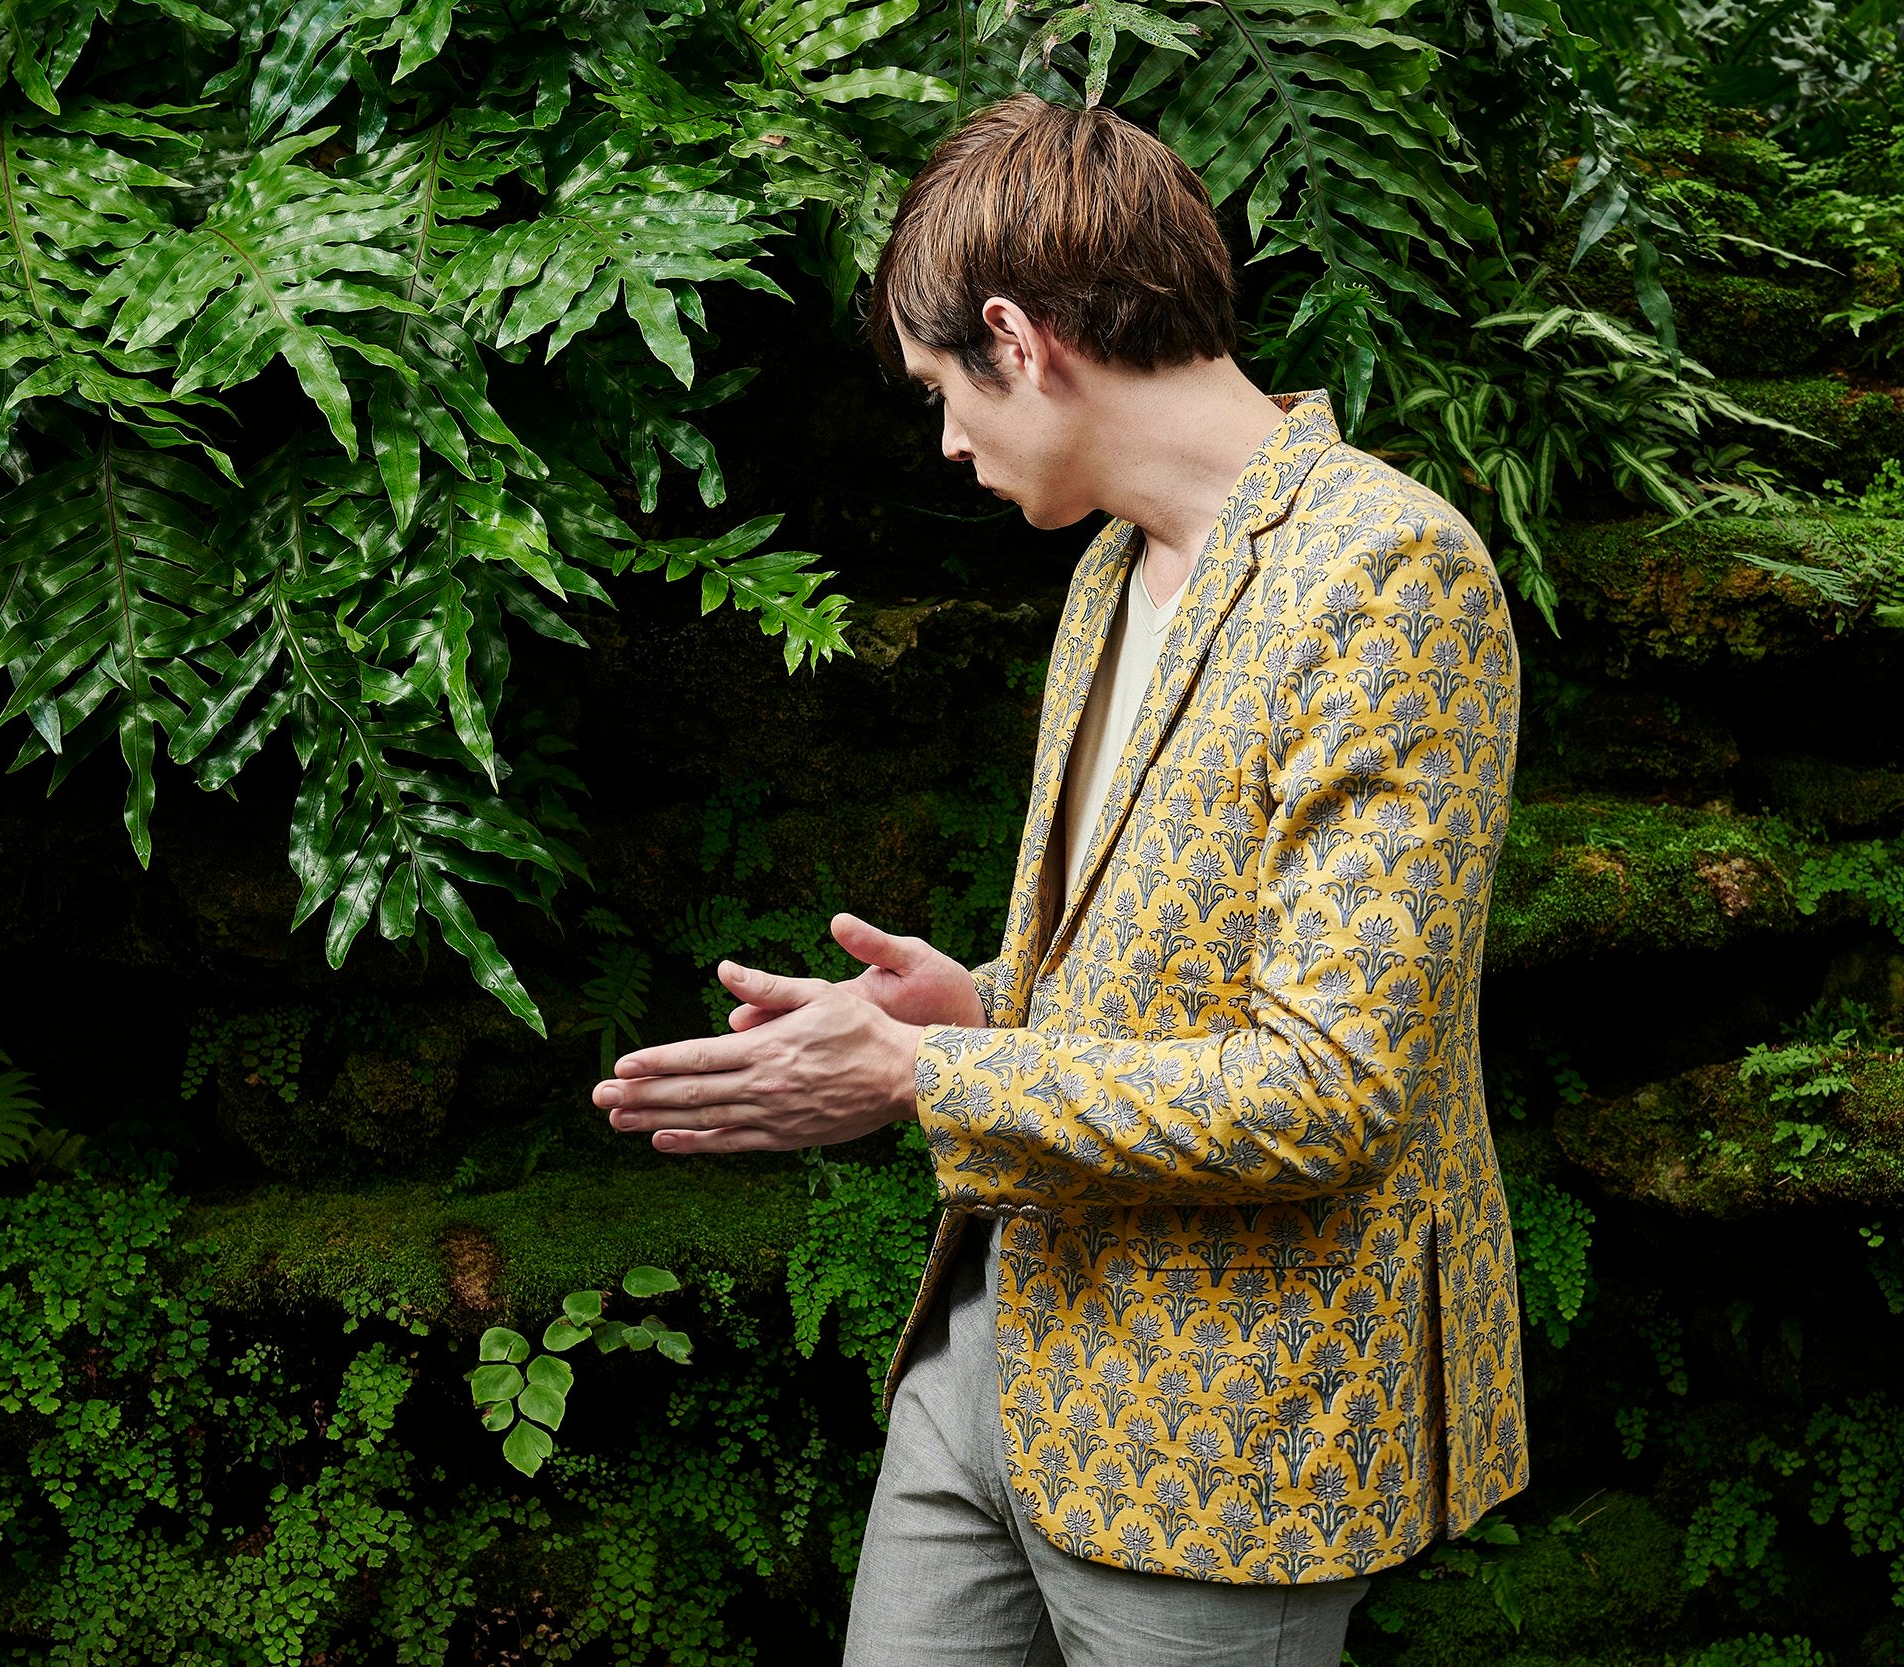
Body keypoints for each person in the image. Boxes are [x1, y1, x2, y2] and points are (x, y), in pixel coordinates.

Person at [592, 91, 1526, 1667]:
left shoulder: (1387, 575)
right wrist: (978, 1008)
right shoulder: (1107, 562)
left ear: (1020, 339)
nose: (948, 439)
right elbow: (1147, 987)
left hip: (1234, 1430)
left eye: (944, 387)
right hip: (994, 1355)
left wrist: (927, 1072)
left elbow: (1326, 1089)